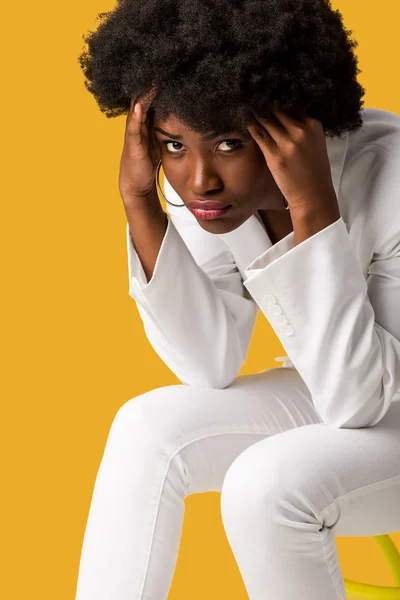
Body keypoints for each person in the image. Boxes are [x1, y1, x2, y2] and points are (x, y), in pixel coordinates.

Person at [75, 1, 400, 598]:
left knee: (266, 483)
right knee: (146, 427)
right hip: (356, 388)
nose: (198, 179)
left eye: (227, 142)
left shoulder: (392, 179)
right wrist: (141, 203)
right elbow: (207, 364)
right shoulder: (215, 195)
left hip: (378, 395)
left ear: (298, 123)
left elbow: (360, 401)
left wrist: (312, 212)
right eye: (172, 145)